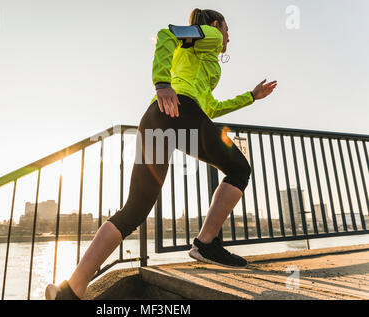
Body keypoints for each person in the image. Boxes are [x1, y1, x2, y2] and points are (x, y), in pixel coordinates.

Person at [46, 8, 277, 300]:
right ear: (217, 25)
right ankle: (206, 244)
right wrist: (162, 84)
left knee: (135, 209)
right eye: (227, 28)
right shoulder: (210, 35)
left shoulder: (198, 55)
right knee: (239, 169)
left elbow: (212, 108)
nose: (228, 36)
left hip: (158, 117)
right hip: (179, 111)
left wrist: (251, 97)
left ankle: (71, 289)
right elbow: (167, 33)